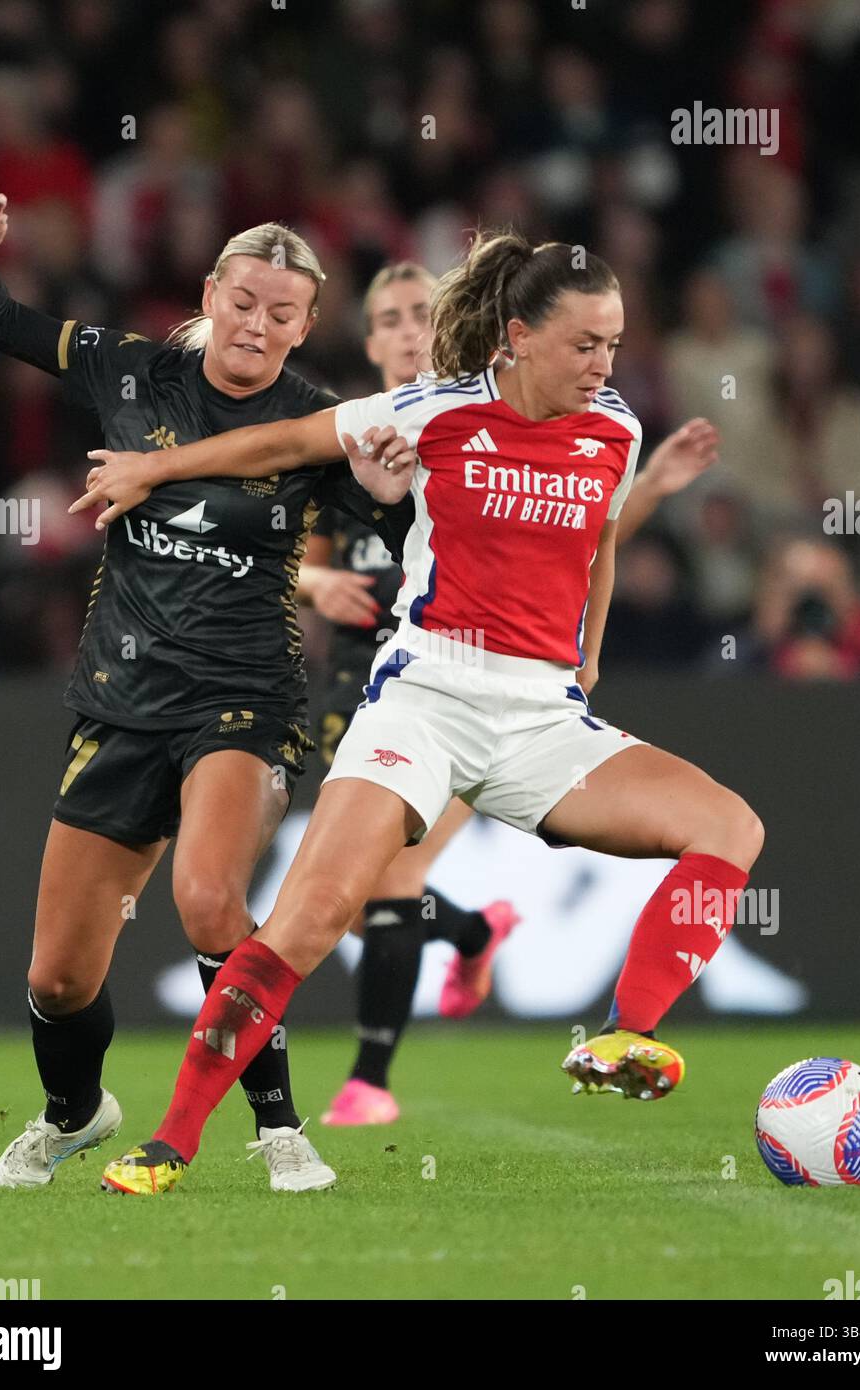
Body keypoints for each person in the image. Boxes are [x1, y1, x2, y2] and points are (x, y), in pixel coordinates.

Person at [71, 229, 758, 1197]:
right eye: (584, 343)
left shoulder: (613, 429)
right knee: (305, 923)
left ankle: (626, 1035)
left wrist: (590, 648)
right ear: (516, 336)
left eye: (611, 342)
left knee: (729, 825)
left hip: (540, 715)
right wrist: (156, 469)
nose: (604, 364)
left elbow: (599, 538)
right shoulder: (434, 410)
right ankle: (169, 1143)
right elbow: (283, 442)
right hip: (425, 699)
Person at [0, 183, 411, 1192]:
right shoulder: (129, 369)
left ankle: (278, 1128)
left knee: (210, 898)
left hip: (243, 694)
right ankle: (74, 1112)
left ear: (305, 324)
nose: (257, 324)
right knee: (58, 977)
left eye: (282, 313)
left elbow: (400, 542)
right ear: (210, 291)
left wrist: (393, 496)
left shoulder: (316, 423)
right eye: (243, 301)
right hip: (121, 695)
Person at [304, 261, 724, 1125]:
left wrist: (647, 494)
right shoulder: (364, 446)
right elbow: (289, 559)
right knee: (348, 902)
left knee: (387, 885)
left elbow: (572, 539)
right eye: (389, 317)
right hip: (368, 684)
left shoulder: (489, 420)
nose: (409, 328)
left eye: (424, 311)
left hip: (487, 690)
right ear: (372, 338)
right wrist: (313, 591)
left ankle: (370, 1080)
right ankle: (470, 931)